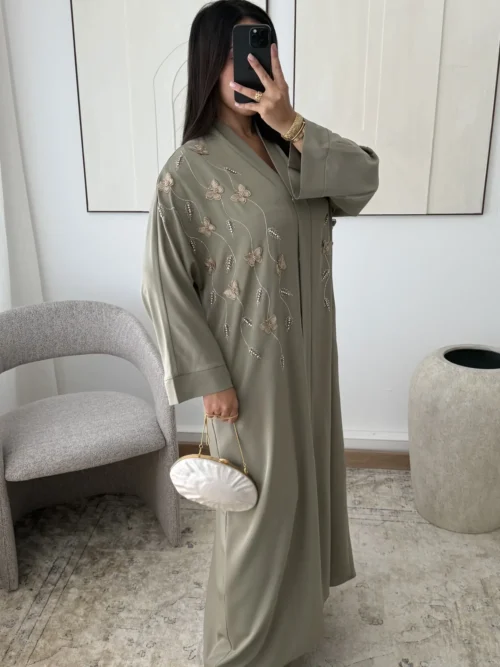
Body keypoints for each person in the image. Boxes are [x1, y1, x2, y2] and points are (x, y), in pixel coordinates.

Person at [141, 1, 379, 665]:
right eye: (234, 54)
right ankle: (237, 649)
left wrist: (291, 122)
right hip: (247, 374)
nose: (250, 66)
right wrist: (208, 378)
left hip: (309, 361)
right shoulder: (186, 171)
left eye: (260, 51)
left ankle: (294, 629)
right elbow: (164, 281)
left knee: (303, 490)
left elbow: (364, 179)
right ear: (208, 63)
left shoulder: (290, 150)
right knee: (259, 514)